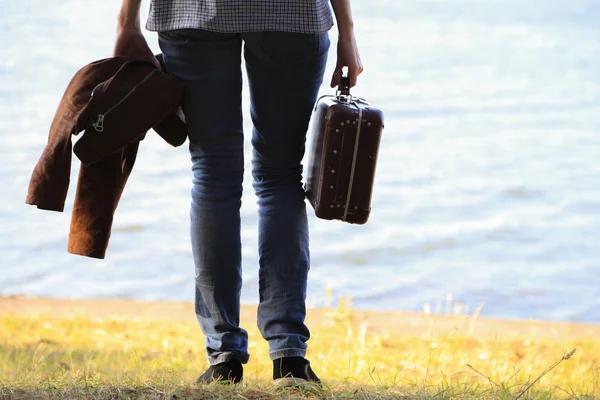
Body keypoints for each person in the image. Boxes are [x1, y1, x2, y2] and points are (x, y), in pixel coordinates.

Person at [115, 0, 363, 386]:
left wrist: (125, 22)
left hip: (191, 13)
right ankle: (289, 357)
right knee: (280, 178)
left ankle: (224, 356)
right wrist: (348, 32)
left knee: (214, 175)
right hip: (291, 15)